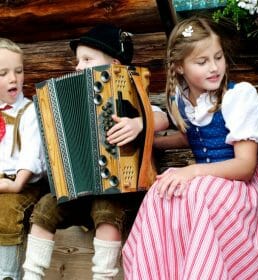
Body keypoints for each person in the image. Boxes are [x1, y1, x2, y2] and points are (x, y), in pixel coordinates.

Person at [123, 17, 258, 280]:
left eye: (218, 57)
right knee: (162, 191)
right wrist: (153, 142)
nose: (214, 68)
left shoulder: (238, 96)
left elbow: (246, 166)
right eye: (202, 62)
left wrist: (192, 171)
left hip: (242, 187)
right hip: (207, 185)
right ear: (179, 67)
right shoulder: (181, 98)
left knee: (199, 190)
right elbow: (191, 137)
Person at [22, 24, 169, 280]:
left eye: (87, 59)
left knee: (105, 207)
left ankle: (104, 275)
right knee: (46, 207)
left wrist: (139, 123)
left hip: (123, 192)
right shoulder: (74, 101)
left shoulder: (130, 96)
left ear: (113, 64)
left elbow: (162, 117)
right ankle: (32, 275)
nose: (78, 66)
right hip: (81, 193)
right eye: (77, 60)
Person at [0, 38, 47, 280]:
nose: (13, 79)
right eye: (3, 73)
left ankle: (7, 273)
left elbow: (32, 152)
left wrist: (17, 182)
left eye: (18, 71)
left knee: (6, 211)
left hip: (23, 183)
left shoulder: (29, 112)